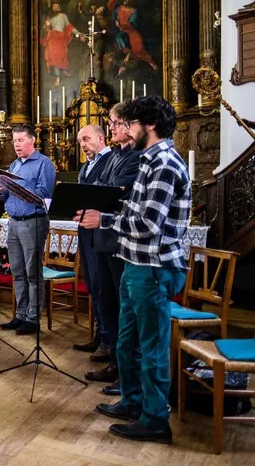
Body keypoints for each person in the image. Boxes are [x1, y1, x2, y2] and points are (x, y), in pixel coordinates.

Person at [77, 95, 190, 444]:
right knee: (127, 344)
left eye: (131, 124)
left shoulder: (166, 164)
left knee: (152, 346)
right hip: (134, 262)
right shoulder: (147, 160)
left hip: (154, 266)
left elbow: (148, 223)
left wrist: (104, 218)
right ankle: (132, 401)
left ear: (149, 125)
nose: (126, 130)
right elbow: (133, 205)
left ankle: (156, 420)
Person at [89, 102, 141, 391]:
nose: (111, 128)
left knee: (123, 306)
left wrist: (95, 197)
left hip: (118, 238)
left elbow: (114, 190)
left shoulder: (134, 156)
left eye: (115, 123)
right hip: (105, 237)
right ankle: (113, 356)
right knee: (106, 298)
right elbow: (100, 184)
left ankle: (125, 370)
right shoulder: (114, 155)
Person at [0, 124, 56, 335]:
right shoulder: (14, 164)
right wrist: (1, 190)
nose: (16, 145)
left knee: (32, 272)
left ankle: (33, 318)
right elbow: (6, 197)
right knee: (17, 271)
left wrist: (17, 186)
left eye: (20, 140)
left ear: (32, 140)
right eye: (14, 141)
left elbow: (44, 193)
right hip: (13, 221)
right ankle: (20, 314)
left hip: (33, 220)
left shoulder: (43, 163)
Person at [72, 125, 112, 364]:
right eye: (79, 141)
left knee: (102, 286)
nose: (82, 145)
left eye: (86, 139)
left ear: (101, 138)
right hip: (85, 230)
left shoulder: (110, 161)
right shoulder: (87, 165)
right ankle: (99, 335)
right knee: (92, 284)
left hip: (101, 230)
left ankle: (108, 341)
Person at [40, 3, 87, 88]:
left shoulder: (63, 16)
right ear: (52, 9)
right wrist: (46, 26)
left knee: (61, 55)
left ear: (60, 8)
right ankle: (57, 78)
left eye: (57, 6)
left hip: (60, 38)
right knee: (54, 57)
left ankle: (63, 70)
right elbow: (45, 30)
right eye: (54, 6)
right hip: (52, 39)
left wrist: (79, 34)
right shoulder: (50, 18)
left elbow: (70, 27)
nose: (56, 7)